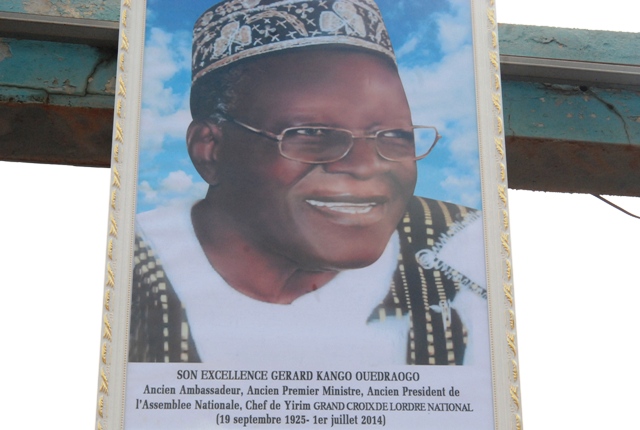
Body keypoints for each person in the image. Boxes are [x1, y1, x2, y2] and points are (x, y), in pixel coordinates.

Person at [129, 0, 488, 366]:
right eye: (312, 133)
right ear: (210, 149)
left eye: (395, 136)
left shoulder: (469, 252)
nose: (365, 166)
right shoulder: (123, 270)